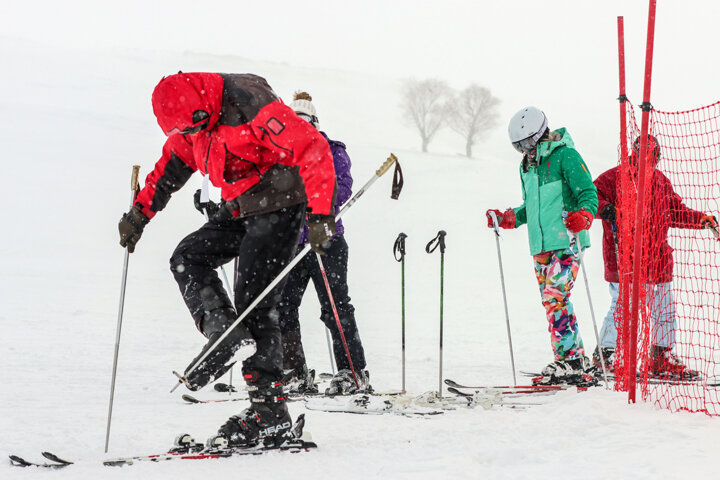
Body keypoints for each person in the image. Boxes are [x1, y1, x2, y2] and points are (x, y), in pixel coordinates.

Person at [117, 72, 337, 447]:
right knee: (188, 256)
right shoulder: (190, 129)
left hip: (281, 202)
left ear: (206, 105)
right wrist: (140, 214)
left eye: (200, 122)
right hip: (242, 204)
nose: (196, 131)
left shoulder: (249, 103)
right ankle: (226, 334)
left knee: (255, 302)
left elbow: (312, 148)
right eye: (188, 128)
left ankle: (270, 416)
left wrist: (320, 215)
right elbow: (169, 169)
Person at [486, 106, 598, 384]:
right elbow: (531, 207)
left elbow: (588, 193)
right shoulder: (526, 166)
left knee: (555, 297)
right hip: (541, 246)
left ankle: (570, 360)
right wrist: (509, 217)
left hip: (567, 239)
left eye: (527, 143)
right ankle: (573, 358)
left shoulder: (566, 156)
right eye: (518, 146)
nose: (525, 150)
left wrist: (584, 216)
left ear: (540, 134)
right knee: (553, 302)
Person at [593, 134, 717, 380]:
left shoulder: (660, 181)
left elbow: (676, 212)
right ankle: (605, 357)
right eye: (642, 157)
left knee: (665, 311)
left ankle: (660, 358)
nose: (647, 163)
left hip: (657, 262)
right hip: (624, 259)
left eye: (652, 158)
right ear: (634, 154)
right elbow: (590, 196)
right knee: (622, 309)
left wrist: (700, 219)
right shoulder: (614, 177)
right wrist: (604, 208)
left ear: (657, 158)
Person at [277, 91, 370, 396]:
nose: (301, 128)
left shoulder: (332, 150)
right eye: (295, 122)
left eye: (305, 122)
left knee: (335, 307)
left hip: (327, 240)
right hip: (293, 243)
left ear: (315, 123)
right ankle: (294, 370)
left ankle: (353, 372)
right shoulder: (281, 153)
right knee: (283, 307)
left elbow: (342, 187)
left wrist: (317, 206)